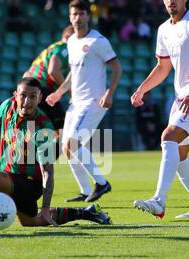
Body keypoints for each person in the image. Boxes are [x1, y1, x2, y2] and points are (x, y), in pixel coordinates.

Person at [0, 77, 111, 233]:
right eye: (23, 96)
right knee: (31, 221)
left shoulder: (42, 128)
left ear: (39, 99)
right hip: (11, 178)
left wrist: (46, 206)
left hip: (30, 184)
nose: (27, 101)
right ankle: (88, 212)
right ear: (16, 95)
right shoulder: (8, 106)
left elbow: (47, 172)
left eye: (33, 97)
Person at [130, 0, 189, 219]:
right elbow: (163, 67)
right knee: (178, 156)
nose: (171, 1)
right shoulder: (163, 29)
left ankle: (159, 201)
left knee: (168, 136)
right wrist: (142, 89)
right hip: (182, 96)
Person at [46, 0, 122, 203]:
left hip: (93, 102)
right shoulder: (71, 42)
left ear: (88, 16)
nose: (77, 18)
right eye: (74, 14)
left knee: (72, 144)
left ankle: (102, 183)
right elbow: (73, 72)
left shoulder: (98, 41)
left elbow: (117, 68)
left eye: (81, 14)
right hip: (76, 102)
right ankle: (86, 191)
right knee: (66, 148)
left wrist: (110, 93)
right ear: (69, 17)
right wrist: (60, 92)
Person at [24, 25, 74, 132]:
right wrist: (70, 92)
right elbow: (53, 71)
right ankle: (65, 147)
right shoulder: (64, 47)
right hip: (41, 89)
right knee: (63, 125)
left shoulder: (52, 48)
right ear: (67, 37)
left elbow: (26, 74)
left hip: (30, 89)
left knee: (35, 127)